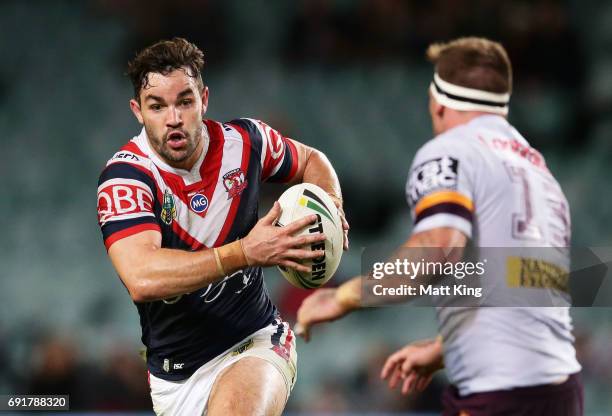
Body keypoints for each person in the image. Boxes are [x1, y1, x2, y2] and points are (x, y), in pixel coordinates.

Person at [297, 37, 583, 415]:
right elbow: (527, 288)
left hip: (496, 392)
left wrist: (343, 296)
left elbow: (439, 247)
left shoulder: (451, 150)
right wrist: (445, 348)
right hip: (559, 391)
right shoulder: (540, 173)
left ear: (440, 101)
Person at [96, 37, 348, 416]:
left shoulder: (246, 142)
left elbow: (313, 160)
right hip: (174, 379)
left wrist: (333, 203)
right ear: (138, 111)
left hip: (255, 341)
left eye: (185, 101)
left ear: (204, 100)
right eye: (157, 106)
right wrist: (245, 252)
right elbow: (142, 276)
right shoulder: (127, 178)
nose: (174, 118)